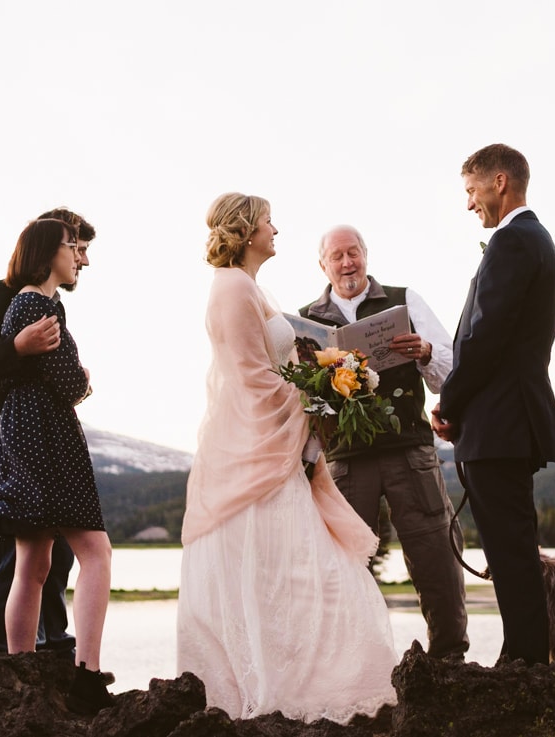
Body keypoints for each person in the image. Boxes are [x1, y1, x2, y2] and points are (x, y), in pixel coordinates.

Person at [177, 194, 397, 722]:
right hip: (257, 458)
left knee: (305, 573)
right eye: (268, 221)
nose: (276, 229)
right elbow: (253, 379)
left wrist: (327, 381)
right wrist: (319, 400)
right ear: (247, 230)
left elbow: (272, 368)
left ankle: (317, 683)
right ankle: (292, 689)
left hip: (275, 452)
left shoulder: (247, 285)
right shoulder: (232, 288)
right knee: (302, 572)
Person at [431, 143, 555, 666]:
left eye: (471, 191)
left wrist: (450, 401)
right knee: (512, 551)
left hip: (500, 422)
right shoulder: (536, 241)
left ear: (499, 182)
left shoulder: (514, 241)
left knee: (510, 552)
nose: (469, 204)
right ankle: (521, 657)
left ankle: (526, 666)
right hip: (507, 419)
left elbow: (484, 337)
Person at [299, 225, 468, 661]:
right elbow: (299, 402)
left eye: (353, 252)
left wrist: (426, 351)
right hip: (344, 461)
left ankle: (449, 659)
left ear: (366, 255)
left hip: (408, 450)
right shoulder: (304, 320)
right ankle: (356, 666)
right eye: (336, 256)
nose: (346, 263)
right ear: (323, 265)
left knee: (434, 550)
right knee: (345, 565)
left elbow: (452, 369)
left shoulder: (405, 299)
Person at [0, 217, 113, 714]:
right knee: (96, 553)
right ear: (46, 254)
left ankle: (21, 670)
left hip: (20, 437)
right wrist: (82, 378)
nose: (76, 255)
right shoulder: (38, 304)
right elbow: (70, 384)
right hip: (48, 439)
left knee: (31, 565)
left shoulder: (24, 303)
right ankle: (88, 673)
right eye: (69, 246)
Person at [0, 208, 95, 656]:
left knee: (52, 564)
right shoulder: (5, 295)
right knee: (4, 566)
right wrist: (19, 348)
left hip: (44, 454)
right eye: (77, 247)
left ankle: (49, 657)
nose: (84, 260)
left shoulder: (50, 304)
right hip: (2, 451)